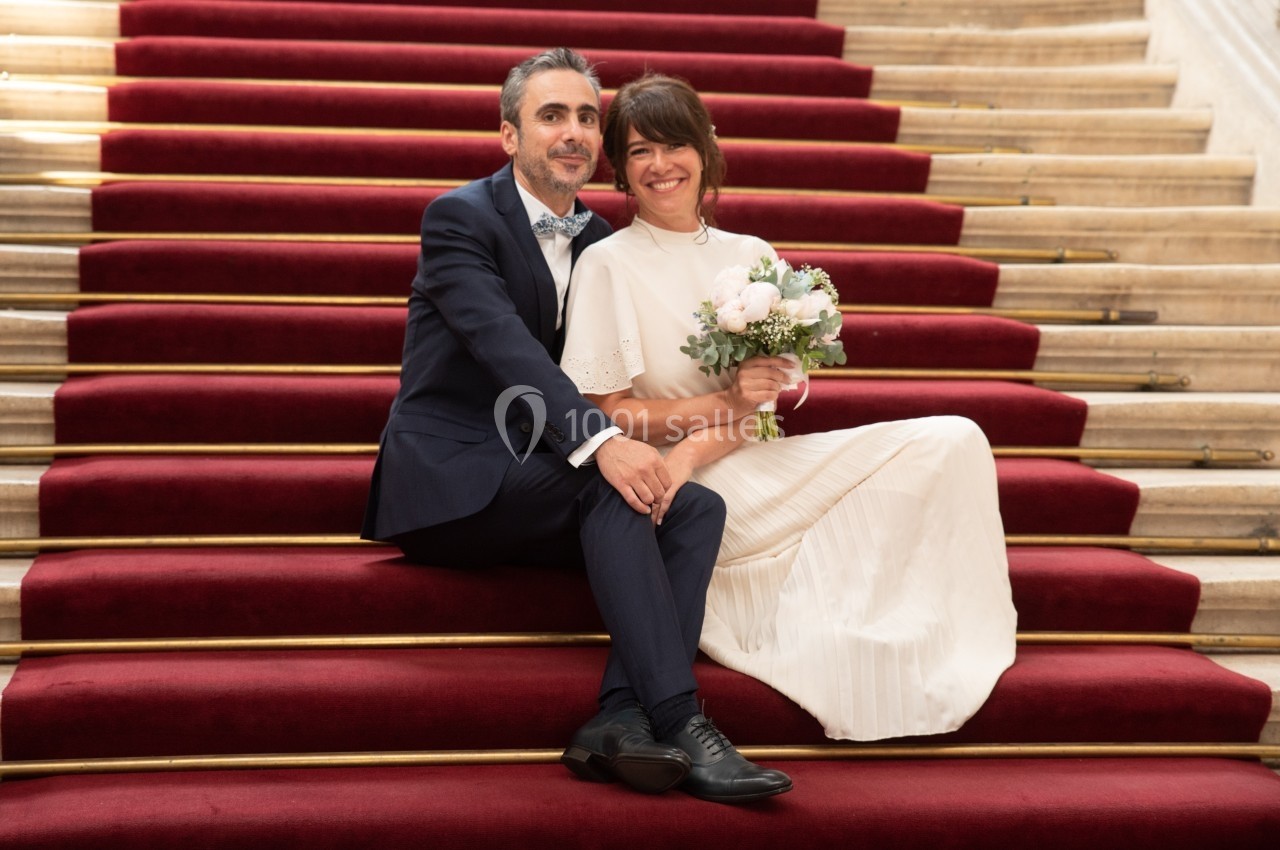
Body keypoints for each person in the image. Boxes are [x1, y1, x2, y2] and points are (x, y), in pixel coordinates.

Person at [361, 49, 792, 804]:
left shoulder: (601, 244)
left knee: (696, 506)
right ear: (508, 135)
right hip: (456, 475)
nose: (573, 132)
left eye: (587, 117)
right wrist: (604, 443)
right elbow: (506, 346)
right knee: (614, 487)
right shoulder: (460, 218)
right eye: (551, 115)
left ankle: (616, 722)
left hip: (543, 474)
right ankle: (683, 721)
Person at [561, 74, 1018, 742]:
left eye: (673, 144)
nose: (660, 165)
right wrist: (701, 426)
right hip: (672, 490)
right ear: (621, 173)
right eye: (638, 152)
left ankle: (905, 625)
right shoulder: (606, 262)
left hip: (730, 459)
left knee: (954, 438)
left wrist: (695, 446)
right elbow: (608, 414)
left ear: (705, 149)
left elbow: (759, 411)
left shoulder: (751, 258)